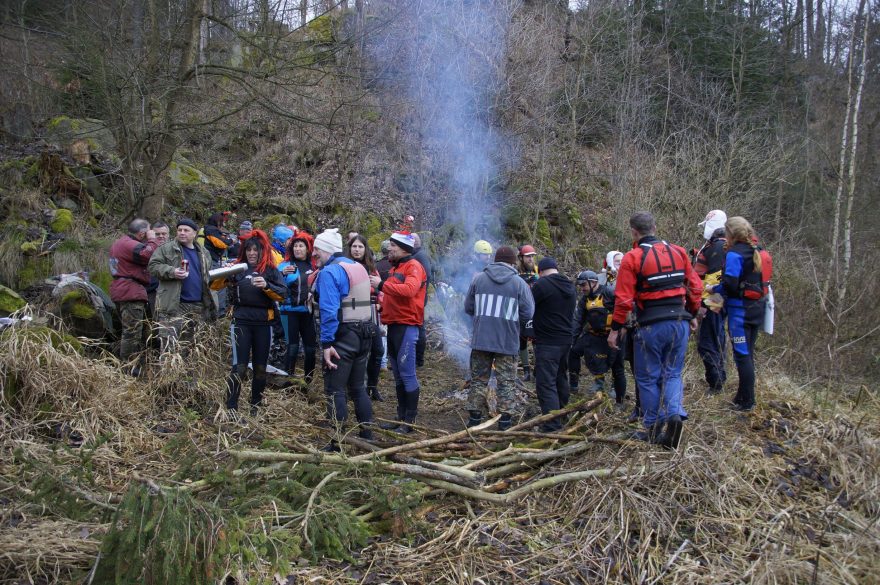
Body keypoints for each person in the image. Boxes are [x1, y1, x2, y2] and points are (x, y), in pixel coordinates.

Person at [608, 211, 702, 449]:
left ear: (633, 232)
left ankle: (652, 426)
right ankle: (674, 413)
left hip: (650, 325)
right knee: (672, 373)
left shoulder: (632, 258)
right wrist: (691, 313)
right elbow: (695, 287)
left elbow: (623, 299)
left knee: (647, 378)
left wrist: (615, 329)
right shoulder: (679, 252)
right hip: (679, 323)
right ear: (655, 227)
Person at [312, 228, 375, 448]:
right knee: (358, 387)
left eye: (317, 250)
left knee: (334, 389)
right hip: (365, 333)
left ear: (327, 250)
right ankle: (368, 435)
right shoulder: (357, 266)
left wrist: (327, 344)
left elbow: (329, 311)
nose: (314, 254)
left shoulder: (330, 272)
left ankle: (337, 441)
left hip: (344, 336)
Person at [213, 230, 286, 416]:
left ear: (262, 251)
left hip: (264, 324)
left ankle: (255, 405)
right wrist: (226, 272)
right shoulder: (238, 268)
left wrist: (267, 286)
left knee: (261, 367)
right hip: (241, 323)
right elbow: (214, 284)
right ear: (244, 251)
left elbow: (283, 295)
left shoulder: (270, 270)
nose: (252, 253)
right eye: (249, 250)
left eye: (256, 250)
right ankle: (231, 407)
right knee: (240, 367)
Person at [464, 246, 535, 431]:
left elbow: (468, 307)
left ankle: (474, 422)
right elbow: (528, 313)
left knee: (478, 380)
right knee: (507, 383)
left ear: (495, 260)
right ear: (513, 262)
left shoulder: (478, 279)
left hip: (481, 340)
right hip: (507, 341)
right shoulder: (519, 283)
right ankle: (504, 425)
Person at [711, 216, 771, 412]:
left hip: (740, 312)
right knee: (748, 353)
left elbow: (730, 284)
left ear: (730, 233)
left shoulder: (735, 255)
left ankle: (748, 402)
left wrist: (714, 289)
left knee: (742, 356)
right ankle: (741, 396)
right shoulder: (758, 251)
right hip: (758, 308)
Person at [371, 231, 427, 433]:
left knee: (407, 374)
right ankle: (401, 418)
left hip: (407, 327)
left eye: (393, 246)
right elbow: (394, 295)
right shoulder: (396, 268)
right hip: (394, 325)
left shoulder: (414, 266)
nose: (389, 249)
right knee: (398, 376)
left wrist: (382, 285)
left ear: (403, 248)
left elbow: (410, 290)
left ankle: (409, 423)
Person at [148, 218, 218, 357]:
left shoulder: (203, 252)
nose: (182, 233)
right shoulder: (166, 248)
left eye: (186, 230)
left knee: (191, 346)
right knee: (169, 346)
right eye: (179, 230)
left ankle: (186, 377)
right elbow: (153, 266)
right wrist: (172, 271)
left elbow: (208, 274)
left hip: (198, 305)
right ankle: (168, 377)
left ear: (194, 234)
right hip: (174, 305)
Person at [530, 257, 576, 432]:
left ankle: (551, 424)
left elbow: (529, 305)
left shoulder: (542, 285)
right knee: (560, 377)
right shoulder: (570, 286)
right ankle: (561, 414)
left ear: (540, 271)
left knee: (546, 382)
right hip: (566, 341)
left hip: (548, 342)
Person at [109, 218, 158, 373]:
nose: (152, 234)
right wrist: (152, 240)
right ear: (142, 233)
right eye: (149, 231)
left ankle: (136, 365)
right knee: (132, 332)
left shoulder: (121, 243)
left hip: (123, 289)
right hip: (130, 291)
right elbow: (149, 255)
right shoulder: (129, 244)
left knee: (137, 331)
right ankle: (128, 368)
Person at [571, 270, 627, 405]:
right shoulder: (585, 300)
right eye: (580, 285)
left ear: (594, 282)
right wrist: (573, 339)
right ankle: (573, 385)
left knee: (618, 368)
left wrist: (624, 328)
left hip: (614, 336)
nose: (582, 288)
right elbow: (578, 320)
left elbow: (624, 308)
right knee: (573, 352)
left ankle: (619, 401)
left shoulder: (608, 293)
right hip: (594, 336)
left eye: (584, 285)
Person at [694, 209, 728, 395]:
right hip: (716, 302)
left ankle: (716, 383)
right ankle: (719, 379)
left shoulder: (717, 248)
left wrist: (705, 307)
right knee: (716, 339)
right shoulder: (718, 246)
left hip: (714, 303)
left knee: (708, 342)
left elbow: (715, 281)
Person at [346, 235, 384, 401]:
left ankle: (372, 387)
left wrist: (380, 302)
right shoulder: (344, 266)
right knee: (355, 352)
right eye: (354, 246)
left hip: (371, 312)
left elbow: (380, 288)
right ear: (349, 248)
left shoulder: (371, 268)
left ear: (365, 249)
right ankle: (354, 388)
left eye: (360, 247)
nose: (357, 250)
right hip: (352, 313)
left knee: (378, 351)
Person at [278, 230, 318, 384]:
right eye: (295, 246)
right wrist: (281, 273)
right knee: (292, 348)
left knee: (310, 349)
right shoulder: (284, 265)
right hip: (289, 312)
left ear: (307, 249)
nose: (297, 249)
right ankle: (288, 381)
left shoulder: (313, 266)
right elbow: (272, 283)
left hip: (307, 312)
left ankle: (308, 381)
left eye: (301, 246)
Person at [517, 244, 539, 381]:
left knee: (537, 340)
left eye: (532, 256)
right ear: (521, 257)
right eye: (528, 256)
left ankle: (537, 368)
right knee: (522, 341)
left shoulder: (537, 271)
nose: (531, 259)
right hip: (520, 311)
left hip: (535, 310)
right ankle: (526, 370)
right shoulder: (516, 271)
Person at [411, 233, 432, 368]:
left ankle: (418, 360)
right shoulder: (418, 255)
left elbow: (427, 276)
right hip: (417, 298)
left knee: (419, 327)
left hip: (418, 298)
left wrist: (418, 292)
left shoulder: (420, 256)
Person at [146, 221, 170, 317]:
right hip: (151, 291)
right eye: (157, 234)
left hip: (169, 291)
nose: (161, 236)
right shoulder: (146, 249)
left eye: (163, 234)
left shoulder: (175, 249)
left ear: (168, 235)